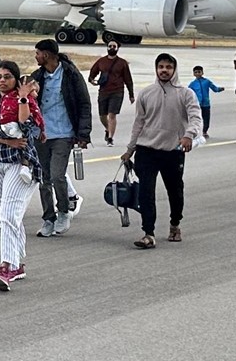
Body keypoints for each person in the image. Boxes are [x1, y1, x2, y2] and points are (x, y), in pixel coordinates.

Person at [0, 62, 43, 291]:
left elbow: (27, 126)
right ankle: (18, 263)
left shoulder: (24, 100)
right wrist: (5, 141)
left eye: (8, 77)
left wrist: (23, 98)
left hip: (20, 163)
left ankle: (7, 266)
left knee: (8, 215)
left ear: (16, 80)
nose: (2, 81)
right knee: (8, 216)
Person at [121, 53, 203, 249]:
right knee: (145, 192)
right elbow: (139, 123)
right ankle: (148, 233)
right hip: (146, 150)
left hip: (172, 151)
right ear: (156, 69)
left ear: (174, 70)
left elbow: (196, 117)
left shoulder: (185, 93)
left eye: (168, 67)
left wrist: (189, 135)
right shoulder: (146, 93)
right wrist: (130, 149)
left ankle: (175, 223)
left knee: (175, 191)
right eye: (161, 67)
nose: (164, 70)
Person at [29, 38, 92, 238]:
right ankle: (48, 218)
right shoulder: (37, 76)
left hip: (63, 134)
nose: (36, 56)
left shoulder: (71, 75)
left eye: (38, 53)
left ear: (46, 55)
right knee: (43, 179)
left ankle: (64, 211)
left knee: (57, 175)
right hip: (41, 135)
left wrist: (83, 134)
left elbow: (84, 103)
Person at [89, 40, 135, 146]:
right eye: (110, 46)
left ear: (118, 48)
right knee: (102, 115)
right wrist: (92, 80)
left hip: (117, 91)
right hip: (103, 91)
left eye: (114, 46)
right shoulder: (101, 61)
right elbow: (93, 72)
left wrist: (131, 94)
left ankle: (110, 138)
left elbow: (128, 79)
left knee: (112, 115)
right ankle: (108, 129)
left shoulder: (122, 63)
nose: (112, 48)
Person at [187, 66, 224, 138]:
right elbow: (188, 93)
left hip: (206, 104)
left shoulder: (207, 82)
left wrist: (220, 89)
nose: (198, 74)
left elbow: (214, 88)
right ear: (193, 74)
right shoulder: (192, 84)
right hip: (197, 104)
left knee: (206, 118)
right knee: (197, 118)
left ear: (202, 72)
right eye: (196, 72)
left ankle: (204, 131)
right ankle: (197, 131)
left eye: (199, 72)